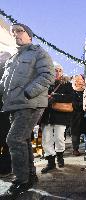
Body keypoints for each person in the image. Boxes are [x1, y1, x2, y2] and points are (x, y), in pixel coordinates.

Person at [0, 23, 54, 199]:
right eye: (13, 32)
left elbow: (47, 75)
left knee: (13, 139)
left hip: (30, 103)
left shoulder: (38, 52)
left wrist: (28, 92)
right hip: (13, 105)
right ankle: (30, 175)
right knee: (22, 139)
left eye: (20, 31)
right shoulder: (12, 58)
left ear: (29, 35)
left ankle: (21, 180)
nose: (16, 34)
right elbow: (4, 83)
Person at [40, 63, 73, 173]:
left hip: (60, 115)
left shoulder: (66, 84)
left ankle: (60, 157)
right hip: (46, 115)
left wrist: (54, 96)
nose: (57, 72)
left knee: (59, 137)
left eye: (59, 70)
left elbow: (70, 97)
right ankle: (50, 162)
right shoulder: (45, 83)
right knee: (46, 139)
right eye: (55, 70)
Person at [70, 74, 86, 156]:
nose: (79, 81)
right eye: (76, 80)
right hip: (75, 115)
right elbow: (74, 103)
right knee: (75, 132)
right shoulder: (71, 90)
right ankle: (75, 149)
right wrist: (85, 104)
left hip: (85, 114)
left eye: (80, 80)